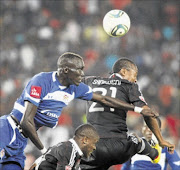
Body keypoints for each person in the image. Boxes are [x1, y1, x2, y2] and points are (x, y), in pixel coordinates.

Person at [0, 52, 154, 170]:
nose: (82, 74)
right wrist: (44, 150)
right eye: (79, 70)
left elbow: (104, 99)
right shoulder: (42, 81)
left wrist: (137, 108)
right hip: (7, 129)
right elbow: (26, 121)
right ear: (66, 70)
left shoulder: (75, 88)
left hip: (20, 142)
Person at [80, 58, 175, 170]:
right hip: (118, 146)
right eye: (135, 75)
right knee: (135, 139)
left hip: (92, 148)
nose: (135, 80)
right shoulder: (129, 86)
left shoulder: (91, 81)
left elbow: (69, 81)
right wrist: (161, 140)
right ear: (124, 71)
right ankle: (155, 154)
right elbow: (148, 114)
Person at [30, 123, 100, 170]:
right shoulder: (69, 150)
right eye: (94, 143)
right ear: (85, 140)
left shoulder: (69, 149)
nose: (94, 147)